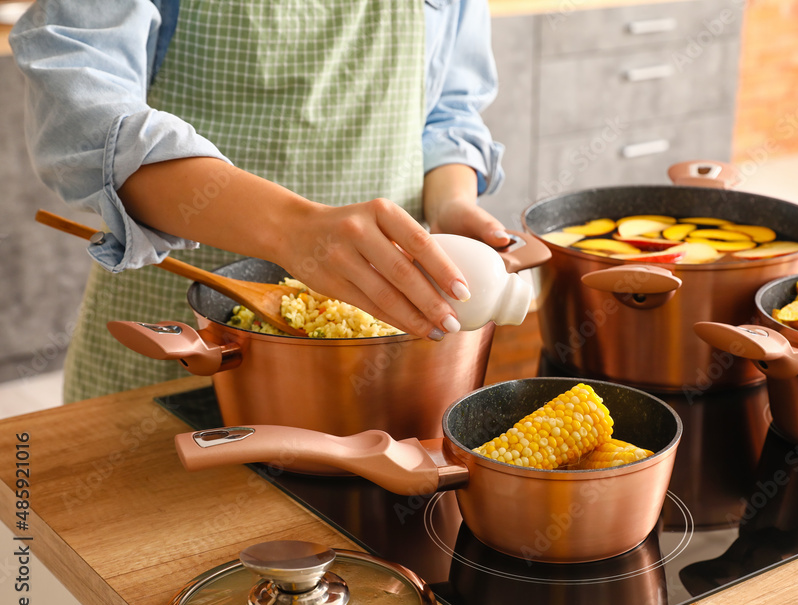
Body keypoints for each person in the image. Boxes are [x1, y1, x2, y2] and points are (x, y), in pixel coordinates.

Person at [11, 0, 508, 403]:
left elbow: (448, 110)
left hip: (379, 375)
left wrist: (451, 202)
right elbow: (81, 108)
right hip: (169, 353)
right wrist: (293, 231)